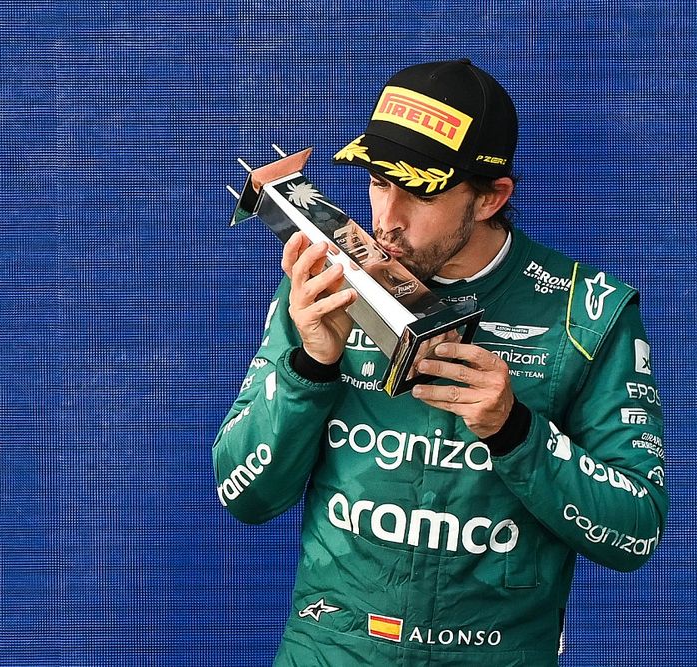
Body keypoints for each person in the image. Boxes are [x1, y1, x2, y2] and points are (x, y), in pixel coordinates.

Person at [213, 59, 667, 666]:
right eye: (377, 181)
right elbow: (243, 494)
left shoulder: (588, 314)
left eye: (419, 190)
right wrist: (313, 364)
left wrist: (515, 431)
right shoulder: (324, 287)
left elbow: (635, 530)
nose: (386, 218)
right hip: (330, 650)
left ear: (491, 196)